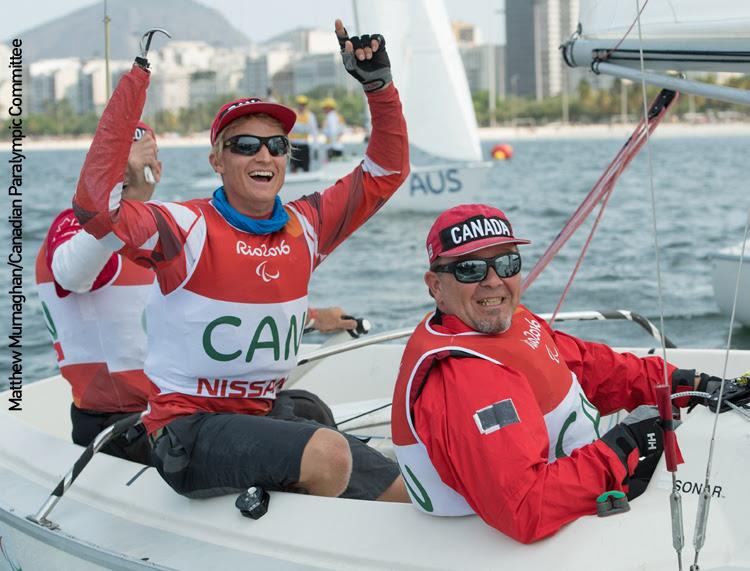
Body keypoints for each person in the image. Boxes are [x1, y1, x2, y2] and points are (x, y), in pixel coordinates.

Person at [72, 19, 410, 502]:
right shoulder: (184, 226)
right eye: (245, 145)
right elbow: (95, 211)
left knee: (403, 482)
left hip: (259, 416)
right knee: (330, 454)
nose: (264, 156)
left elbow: (387, 171)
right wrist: (135, 87)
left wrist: (379, 88)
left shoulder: (306, 225)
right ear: (218, 161)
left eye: (276, 145)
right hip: (186, 431)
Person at [391, 203, 749, 543]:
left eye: (507, 263)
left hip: (585, 492)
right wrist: (624, 447)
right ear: (436, 286)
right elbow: (524, 508)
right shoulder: (463, 378)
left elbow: (588, 367)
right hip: (516, 540)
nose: (493, 281)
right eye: (470, 269)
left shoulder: (507, 323)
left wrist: (686, 384)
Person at [35, 122, 161, 465]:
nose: (126, 168)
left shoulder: (161, 227)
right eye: (115, 159)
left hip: (170, 410)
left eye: (134, 158)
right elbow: (72, 274)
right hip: (116, 425)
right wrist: (115, 196)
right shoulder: (71, 226)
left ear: (157, 170)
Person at [289, 94, 318, 173]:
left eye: (303, 104)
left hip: (304, 145)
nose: (301, 106)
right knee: (293, 168)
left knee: (306, 168)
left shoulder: (310, 116)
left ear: (306, 105)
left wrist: (315, 147)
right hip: (294, 145)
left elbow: (314, 132)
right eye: (300, 104)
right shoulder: (292, 114)